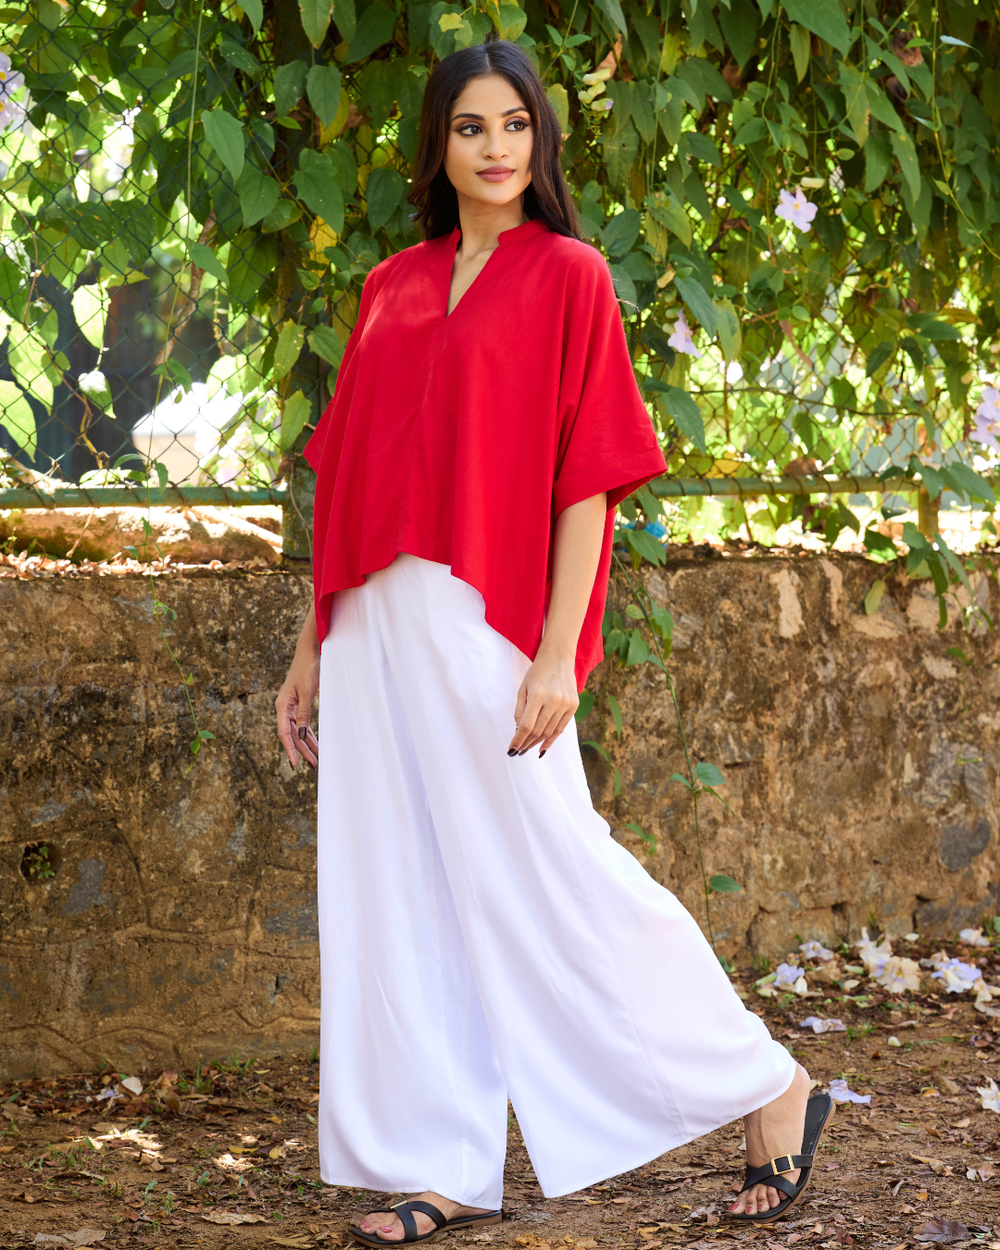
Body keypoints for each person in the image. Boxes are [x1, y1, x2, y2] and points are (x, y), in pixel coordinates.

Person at [274, 34, 830, 1244]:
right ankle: (438, 1162)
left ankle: (766, 1080)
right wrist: (315, 640)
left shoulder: (570, 274)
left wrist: (553, 649)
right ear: (439, 143)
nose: (493, 148)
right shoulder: (391, 284)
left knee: (562, 868)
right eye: (471, 127)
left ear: (541, 140)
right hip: (373, 622)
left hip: (489, 622)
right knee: (398, 886)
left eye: (513, 126)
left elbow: (590, 479)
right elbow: (348, 470)